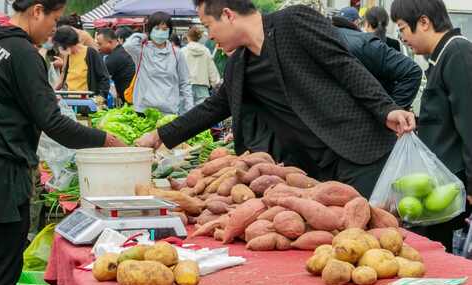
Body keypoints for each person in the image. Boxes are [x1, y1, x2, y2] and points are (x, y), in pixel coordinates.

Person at [136, 0, 416, 197]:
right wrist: (159, 135)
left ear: (228, 15)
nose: (210, 35)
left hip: (358, 151)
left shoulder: (293, 22)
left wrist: (386, 109)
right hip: (312, 171)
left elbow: (343, 65)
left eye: (209, 25)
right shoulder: (239, 64)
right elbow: (215, 106)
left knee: (372, 240)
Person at [0, 0, 126, 285]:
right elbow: (53, 122)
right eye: (54, 20)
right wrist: (104, 139)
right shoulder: (23, 54)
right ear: (37, 10)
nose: (54, 30)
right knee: (0, 270)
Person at [391, 0, 472, 253]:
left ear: (424, 22)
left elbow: (469, 121)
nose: (402, 38)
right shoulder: (441, 57)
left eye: (403, 28)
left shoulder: (457, 53)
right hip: (438, 185)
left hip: (453, 186)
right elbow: (446, 116)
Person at [331, 14, 422, 109]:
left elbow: (411, 71)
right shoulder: (365, 42)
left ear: (367, 24)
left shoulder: (365, 44)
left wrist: (390, 112)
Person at [123, 11, 193, 115]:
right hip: (143, 111)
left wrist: (189, 110)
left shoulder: (177, 53)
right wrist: (144, 36)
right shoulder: (142, 51)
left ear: (169, 32)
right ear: (150, 30)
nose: (160, 32)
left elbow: (184, 83)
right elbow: (128, 45)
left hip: (168, 112)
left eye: (164, 29)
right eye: (156, 28)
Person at [53, 25, 110, 101]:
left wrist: (100, 98)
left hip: (87, 101)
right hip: (71, 101)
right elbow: (63, 76)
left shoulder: (90, 53)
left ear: (68, 43)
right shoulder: (68, 56)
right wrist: (52, 91)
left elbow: (104, 78)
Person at [181, 27, 221, 106]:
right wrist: (216, 82)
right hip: (202, 87)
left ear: (188, 37)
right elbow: (211, 69)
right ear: (199, 38)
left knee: (186, 114)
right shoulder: (205, 51)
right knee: (201, 114)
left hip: (186, 87)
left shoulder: (183, 51)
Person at [96, 28, 135, 103]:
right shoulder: (122, 51)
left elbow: (100, 78)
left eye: (100, 44)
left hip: (130, 98)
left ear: (110, 42)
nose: (99, 48)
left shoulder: (114, 58)